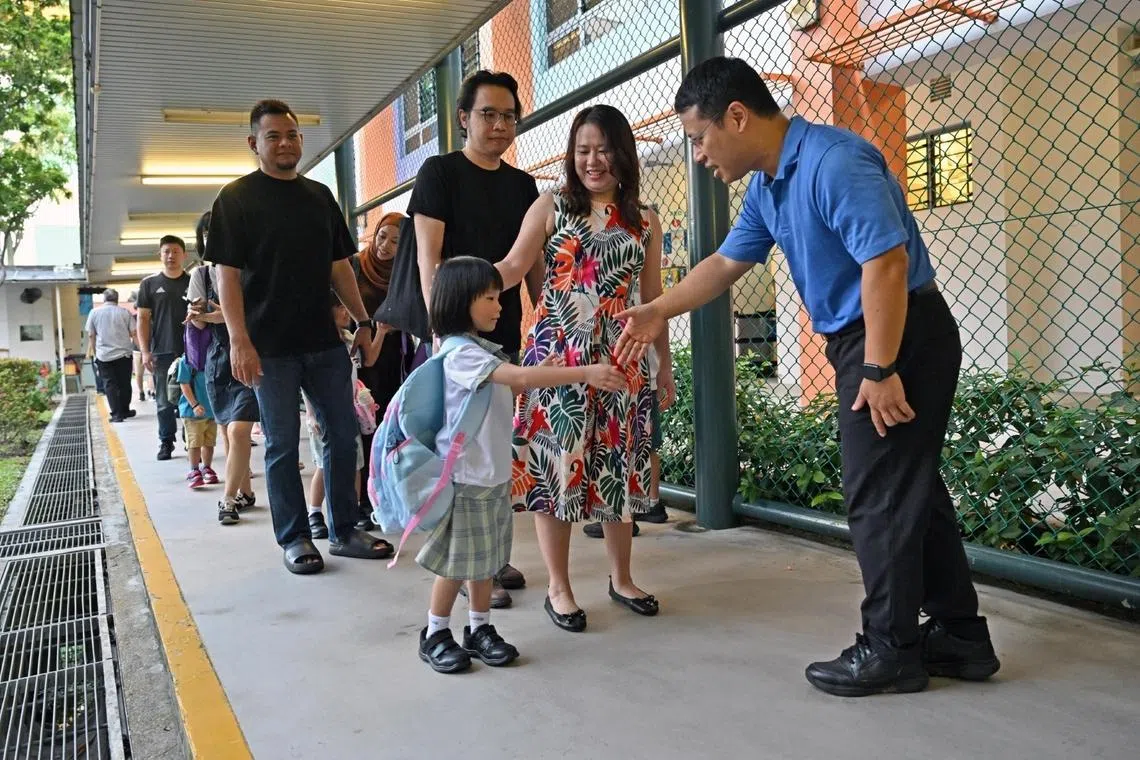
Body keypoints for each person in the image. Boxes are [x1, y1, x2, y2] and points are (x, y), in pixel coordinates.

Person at [614, 56, 1000, 697]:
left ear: (737, 117)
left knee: (877, 494)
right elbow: (727, 262)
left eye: (699, 138)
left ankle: (892, 648)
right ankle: (960, 636)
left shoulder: (833, 161)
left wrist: (880, 367)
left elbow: (885, 262)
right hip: (870, 340)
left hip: (899, 336)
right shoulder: (769, 185)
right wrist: (658, 308)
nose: (699, 155)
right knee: (910, 492)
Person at [495, 104, 676, 633]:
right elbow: (510, 267)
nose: (592, 160)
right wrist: (460, 291)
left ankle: (621, 578)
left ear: (622, 153)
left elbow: (653, 299)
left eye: (603, 149)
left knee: (616, 467)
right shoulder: (550, 206)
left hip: (622, 358)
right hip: (559, 356)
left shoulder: (644, 219)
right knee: (558, 468)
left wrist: (661, 366)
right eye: (583, 150)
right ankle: (560, 586)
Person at [205, 99, 392, 575]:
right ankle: (294, 537)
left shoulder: (319, 196)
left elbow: (339, 267)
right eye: (273, 136)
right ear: (254, 143)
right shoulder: (236, 199)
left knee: (343, 434)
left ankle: (344, 529)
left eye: (291, 135)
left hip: (324, 342)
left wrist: (363, 319)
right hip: (269, 347)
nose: (285, 143)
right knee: (283, 444)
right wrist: (239, 342)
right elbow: (225, 277)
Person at [417, 257, 625, 674]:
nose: (499, 306)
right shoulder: (459, 354)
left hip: (491, 477)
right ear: (461, 302)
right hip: (465, 479)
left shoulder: (480, 352)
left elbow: (514, 382)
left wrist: (534, 372)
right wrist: (581, 372)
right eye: (490, 298)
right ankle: (436, 631)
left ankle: (478, 628)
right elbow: (520, 380)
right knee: (458, 562)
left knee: (485, 559)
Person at [408, 69, 541, 606]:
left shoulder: (522, 186)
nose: (500, 125)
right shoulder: (439, 173)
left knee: (490, 457)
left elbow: (532, 264)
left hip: (501, 334)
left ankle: (488, 557)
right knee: (456, 460)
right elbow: (428, 260)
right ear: (464, 118)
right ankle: (461, 569)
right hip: (455, 342)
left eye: (509, 116)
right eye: (489, 114)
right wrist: (445, 337)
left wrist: (542, 325)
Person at [186, 212, 258, 524]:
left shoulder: (253, 267)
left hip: (252, 354)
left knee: (240, 428)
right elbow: (200, 320)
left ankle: (227, 500)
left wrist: (223, 314)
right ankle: (246, 491)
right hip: (219, 361)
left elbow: (257, 313)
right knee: (230, 432)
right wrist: (206, 314)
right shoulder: (200, 276)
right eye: (210, 233)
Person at [351, 211, 413, 530]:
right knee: (362, 426)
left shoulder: (405, 273)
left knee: (387, 426)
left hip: (393, 357)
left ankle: (382, 495)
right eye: (381, 236)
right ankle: (360, 500)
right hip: (359, 358)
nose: (385, 246)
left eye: (396, 241)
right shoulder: (355, 266)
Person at [583, 344, 671, 538]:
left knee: (620, 445)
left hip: (630, 377)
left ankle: (624, 511)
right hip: (645, 376)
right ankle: (651, 503)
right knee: (646, 446)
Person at [303, 293, 368, 540]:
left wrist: (377, 331)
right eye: (339, 307)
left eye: (345, 306)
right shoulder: (317, 344)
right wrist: (311, 414)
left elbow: (367, 358)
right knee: (323, 464)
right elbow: (307, 385)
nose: (345, 312)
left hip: (349, 411)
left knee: (355, 463)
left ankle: (352, 510)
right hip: (322, 414)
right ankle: (315, 513)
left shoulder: (351, 338)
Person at [137, 235, 191, 460]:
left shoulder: (193, 281)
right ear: (160, 255)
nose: (171, 256)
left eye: (175, 251)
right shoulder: (149, 284)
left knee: (193, 398)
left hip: (192, 350)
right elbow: (142, 319)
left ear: (183, 255)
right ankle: (166, 442)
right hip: (162, 350)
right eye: (166, 251)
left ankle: (193, 440)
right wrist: (145, 350)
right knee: (164, 401)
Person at [85, 288, 137, 423]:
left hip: (104, 355)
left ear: (104, 299)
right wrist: (141, 350)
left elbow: (91, 334)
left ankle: (116, 414)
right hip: (124, 354)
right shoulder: (125, 312)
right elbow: (134, 333)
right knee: (124, 383)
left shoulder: (94, 313)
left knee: (109, 384)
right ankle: (125, 410)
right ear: (117, 299)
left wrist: (95, 353)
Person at [176, 355, 219, 491]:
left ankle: (207, 467)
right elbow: (184, 383)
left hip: (211, 410)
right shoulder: (186, 360)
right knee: (195, 442)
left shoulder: (213, 356)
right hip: (192, 412)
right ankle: (194, 470)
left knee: (209, 442)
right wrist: (194, 405)